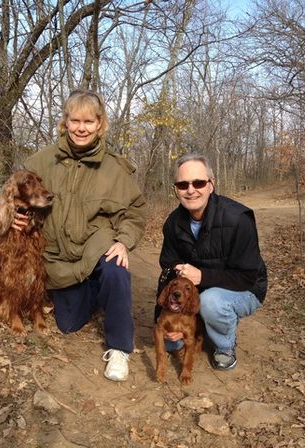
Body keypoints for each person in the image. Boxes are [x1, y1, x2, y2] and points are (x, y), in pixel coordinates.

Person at [14, 89, 146, 381]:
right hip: (58, 255)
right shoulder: (41, 162)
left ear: (100, 124)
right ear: (65, 122)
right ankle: (95, 292)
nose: (81, 128)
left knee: (116, 270)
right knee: (68, 324)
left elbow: (135, 211)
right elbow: (18, 196)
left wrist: (123, 240)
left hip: (95, 245)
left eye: (89, 121)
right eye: (75, 120)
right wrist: (19, 218)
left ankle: (120, 348)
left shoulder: (115, 168)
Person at [154, 154, 267, 370]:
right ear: (175, 189)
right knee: (172, 343)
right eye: (182, 184)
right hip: (201, 289)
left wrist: (203, 276)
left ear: (211, 184)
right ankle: (202, 324)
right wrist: (161, 315)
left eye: (198, 183)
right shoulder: (172, 223)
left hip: (247, 288)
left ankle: (224, 345)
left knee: (210, 302)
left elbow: (247, 276)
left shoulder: (238, 219)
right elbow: (168, 272)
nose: (190, 190)